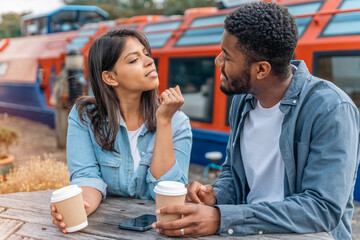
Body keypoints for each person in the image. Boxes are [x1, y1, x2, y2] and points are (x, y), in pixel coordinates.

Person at [152, 2, 360, 240]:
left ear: (261, 69)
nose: (218, 62)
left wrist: (221, 218)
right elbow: (234, 171)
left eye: (227, 57)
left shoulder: (331, 110)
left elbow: (322, 209)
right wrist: (215, 195)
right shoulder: (243, 101)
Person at [50, 29, 192, 233]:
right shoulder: (84, 116)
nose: (150, 61)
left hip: (159, 232)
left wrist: (164, 121)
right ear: (110, 77)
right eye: (134, 59)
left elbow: (169, 193)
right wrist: (80, 207)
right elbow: (87, 177)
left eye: (146, 53)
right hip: (104, 230)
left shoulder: (177, 122)